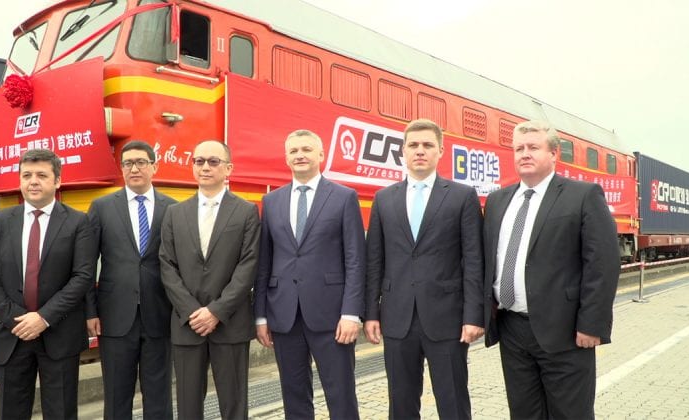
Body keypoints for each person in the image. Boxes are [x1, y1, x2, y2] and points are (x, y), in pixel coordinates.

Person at [483, 120, 619, 419]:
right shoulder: (497, 201)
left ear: (554, 153)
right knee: (523, 413)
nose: (524, 154)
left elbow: (602, 263)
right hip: (512, 329)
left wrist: (592, 324)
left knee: (570, 413)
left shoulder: (582, 195)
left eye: (533, 147)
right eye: (519, 148)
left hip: (566, 331)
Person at [364, 118, 484, 419]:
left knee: (453, 401)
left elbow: (472, 260)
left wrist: (473, 316)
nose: (420, 151)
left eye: (428, 145)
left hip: (448, 318)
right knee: (401, 404)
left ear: (440, 150)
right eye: (413, 145)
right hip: (397, 317)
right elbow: (374, 260)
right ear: (402, 151)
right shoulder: (384, 199)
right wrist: (371, 313)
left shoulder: (462, 196)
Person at [0, 149, 95, 420]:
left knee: (61, 412)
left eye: (42, 175)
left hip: (60, 334)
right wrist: (18, 320)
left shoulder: (78, 222)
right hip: (11, 335)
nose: (33, 181)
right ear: (19, 181)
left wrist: (43, 318)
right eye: (27, 175)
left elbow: (82, 277)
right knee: (12, 413)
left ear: (57, 181)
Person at [255, 129, 366, 419]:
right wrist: (261, 316)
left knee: (340, 394)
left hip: (332, 316)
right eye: (293, 151)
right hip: (284, 314)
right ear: (286, 158)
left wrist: (351, 313)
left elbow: (355, 259)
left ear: (321, 155)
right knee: (293, 396)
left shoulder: (343, 197)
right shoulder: (271, 202)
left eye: (306, 149)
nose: (300, 155)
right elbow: (264, 262)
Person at [159, 140, 260, 419]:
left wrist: (216, 311)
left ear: (228, 168)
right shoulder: (174, 213)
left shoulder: (246, 211)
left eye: (213, 161)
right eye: (199, 161)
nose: (205, 167)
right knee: (188, 406)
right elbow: (166, 265)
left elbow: (248, 265)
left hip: (230, 323)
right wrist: (192, 311)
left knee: (234, 404)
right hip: (186, 323)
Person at [86, 140, 176, 419]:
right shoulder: (101, 207)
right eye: (127, 163)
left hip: (160, 314)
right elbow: (87, 264)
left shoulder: (172, 208)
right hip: (114, 315)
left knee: (159, 392)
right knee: (116, 393)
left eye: (140, 162)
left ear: (154, 167)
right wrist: (90, 311)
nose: (134, 168)